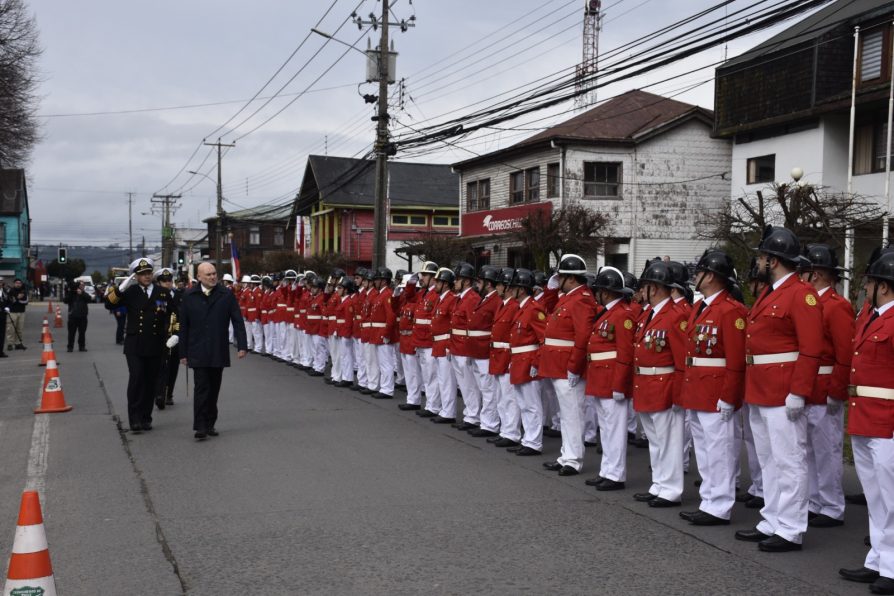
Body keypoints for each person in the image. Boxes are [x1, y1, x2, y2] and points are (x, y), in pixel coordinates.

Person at [734, 225, 823, 553]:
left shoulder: (801, 294)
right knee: (768, 459)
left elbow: (811, 348)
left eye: (761, 256)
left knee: (789, 460)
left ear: (772, 260)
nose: (757, 262)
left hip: (783, 390)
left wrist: (799, 391)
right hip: (760, 388)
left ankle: (791, 527)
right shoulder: (771, 293)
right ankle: (772, 518)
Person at [838, 249, 894, 593]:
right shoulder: (872, 317)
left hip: (888, 420)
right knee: (875, 497)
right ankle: (879, 559)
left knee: (890, 497)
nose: (865, 288)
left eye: (870, 282)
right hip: (864, 415)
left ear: (884, 287)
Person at [678, 250, 747, 526]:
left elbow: (735, 359)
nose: (696, 276)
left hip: (716, 391)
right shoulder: (700, 307)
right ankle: (709, 500)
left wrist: (729, 397)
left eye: (701, 271)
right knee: (705, 450)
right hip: (698, 388)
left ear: (712, 276)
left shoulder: (731, 311)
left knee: (719, 450)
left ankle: (719, 505)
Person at [540, 254, 597, 476]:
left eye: (561, 276)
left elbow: (582, 337)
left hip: (567, 366)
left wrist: (574, 366)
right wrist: (551, 288)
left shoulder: (582, 299)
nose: (558, 279)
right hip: (558, 364)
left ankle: (573, 459)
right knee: (566, 414)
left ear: (571, 279)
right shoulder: (569, 297)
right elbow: (548, 305)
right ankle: (566, 454)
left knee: (573, 414)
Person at [178, 262, 248, 440]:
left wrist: (242, 345)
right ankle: (200, 426)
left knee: (214, 388)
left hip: (218, 348)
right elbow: (183, 326)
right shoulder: (189, 296)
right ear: (199, 277)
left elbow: (237, 320)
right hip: (197, 349)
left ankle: (210, 423)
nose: (212, 277)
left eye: (214, 273)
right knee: (201, 387)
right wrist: (182, 352)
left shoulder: (226, 294)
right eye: (208, 274)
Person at [104, 258, 174, 433]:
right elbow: (109, 303)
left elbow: (175, 314)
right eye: (142, 274)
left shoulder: (162, 292)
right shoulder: (130, 292)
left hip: (156, 343)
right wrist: (121, 288)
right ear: (136, 276)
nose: (147, 276)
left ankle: (145, 417)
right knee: (136, 379)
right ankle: (134, 419)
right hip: (135, 343)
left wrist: (176, 334)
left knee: (150, 382)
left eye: (149, 273)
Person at [154, 268, 182, 409]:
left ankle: (169, 393)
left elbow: (182, 314)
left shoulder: (179, 294)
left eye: (170, 280)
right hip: (160, 336)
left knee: (173, 366)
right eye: (164, 281)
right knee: (160, 366)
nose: (168, 283)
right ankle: (159, 393)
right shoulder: (156, 296)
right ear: (159, 282)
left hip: (176, 335)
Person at [64, 280, 91, 352]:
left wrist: (82, 293)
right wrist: (71, 292)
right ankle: (70, 347)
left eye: (83, 285)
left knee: (82, 333)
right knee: (71, 333)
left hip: (82, 317)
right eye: (81, 285)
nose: (82, 286)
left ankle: (82, 346)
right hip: (73, 316)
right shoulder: (72, 294)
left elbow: (89, 299)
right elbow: (65, 300)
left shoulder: (84, 294)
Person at [5, 278, 28, 351]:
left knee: (19, 329)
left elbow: (26, 302)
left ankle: (18, 343)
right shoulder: (10, 291)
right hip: (12, 312)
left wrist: (17, 300)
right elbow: (9, 301)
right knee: (10, 329)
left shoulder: (24, 291)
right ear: (14, 284)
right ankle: (10, 344)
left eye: (19, 283)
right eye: (17, 283)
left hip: (21, 312)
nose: (18, 284)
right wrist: (17, 299)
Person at [0, 277, 9, 357]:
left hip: (2, 315)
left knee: (2, 333)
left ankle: (0, 351)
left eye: (1, 282)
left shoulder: (5, 291)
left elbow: (8, 301)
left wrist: (8, 307)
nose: (0, 284)